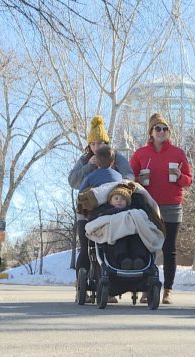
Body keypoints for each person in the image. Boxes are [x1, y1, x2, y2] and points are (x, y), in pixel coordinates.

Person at [129, 113, 192, 304]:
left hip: (172, 205)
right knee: (147, 246)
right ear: (151, 131)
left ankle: (168, 290)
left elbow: (189, 180)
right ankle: (146, 287)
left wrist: (179, 176)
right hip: (148, 204)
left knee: (169, 249)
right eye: (158, 128)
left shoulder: (178, 153)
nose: (162, 132)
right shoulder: (141, 153)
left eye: (165, 129)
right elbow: (129, 178)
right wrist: (140, 180)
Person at [68, 115, 133, 279]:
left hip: (114, 207)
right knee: (85, 247)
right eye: (93, 144)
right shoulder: (85, 160)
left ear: (107, 143)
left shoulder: (116, 157)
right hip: (88, 210)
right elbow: (73, 181)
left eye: (100, 143)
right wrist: (90, 167)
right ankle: (82, 281)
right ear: (89, 145)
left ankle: (113, 278)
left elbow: (129, 177)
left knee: (113, 243)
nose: (96, 147)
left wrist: (110, 175)